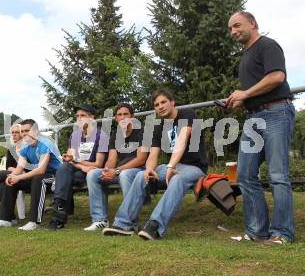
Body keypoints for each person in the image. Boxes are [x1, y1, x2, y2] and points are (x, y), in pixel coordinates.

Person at [226, 11, 295, 244]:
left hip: (276, 112)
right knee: (244, 175)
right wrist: (241, 101)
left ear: (252, 23)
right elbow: (255, 90)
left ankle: (282, 233)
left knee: (278, 176)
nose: (233, 31)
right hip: (253, 118)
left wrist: (245, 93)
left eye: (237, 25)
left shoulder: (268, 45)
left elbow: (276, 76)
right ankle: (256, 231)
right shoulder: (245, 57)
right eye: (230, 29)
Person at [103, 89, 208, 240]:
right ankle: (123, 224)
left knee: (177, 179)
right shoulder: (158, 127)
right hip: (172, 166)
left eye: (164, 102)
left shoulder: (187, 114)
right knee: (141, 174)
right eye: (157, 104)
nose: (161, 106)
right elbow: (153, 154)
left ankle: (154, 226)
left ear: (172, 102)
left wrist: (171, 166)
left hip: (194, 167)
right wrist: (150, 169)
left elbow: (182, 140)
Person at [84, 103, 148, 231]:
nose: (123, 117)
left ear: (132, 116)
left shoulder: (142, 132)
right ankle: (100, 220)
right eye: (120, 115)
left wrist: (117, 170)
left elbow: (141, 159)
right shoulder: (115, 135)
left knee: (125, 175)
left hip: (139, 170)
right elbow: (112, 159)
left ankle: (130, 221)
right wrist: (107, 169)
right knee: (92, 174)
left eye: (126, 114)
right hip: (119, 171)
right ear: (115, 118)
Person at [45, 104, 109, 230]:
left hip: (92, 173)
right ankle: (58, 208)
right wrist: (80, 166)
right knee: (64, 168)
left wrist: (77, 163)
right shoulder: (75, 136)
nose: (79, 118)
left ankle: (57, 216)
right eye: (77, 116)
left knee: (64, 175)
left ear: (92, 118)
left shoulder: (101, 136)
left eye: (83, 116)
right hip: (78, 172)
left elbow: (98, 164)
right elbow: (69, 159)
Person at [0, 119, 62, 230]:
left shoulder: (45, 143)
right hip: (38, 175)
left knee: (39, 179)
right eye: (22, 131)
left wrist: (18, 177)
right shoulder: (25, 147)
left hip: (56, 176)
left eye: (27, 130)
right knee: (11, 180)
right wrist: (13, 177)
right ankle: (5, 219)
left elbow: (41, 170)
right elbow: (19, 168)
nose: (24, 134)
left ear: (36, 131)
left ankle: (34, 222)